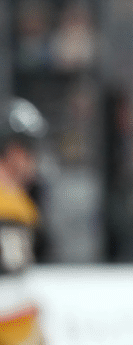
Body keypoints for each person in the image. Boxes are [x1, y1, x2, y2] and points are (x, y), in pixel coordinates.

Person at [0, 97, 47, 345]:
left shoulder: (19, 201)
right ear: (13, 151)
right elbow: (7, 287)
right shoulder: (9, 206)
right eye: (30, 149)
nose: (34, 160)